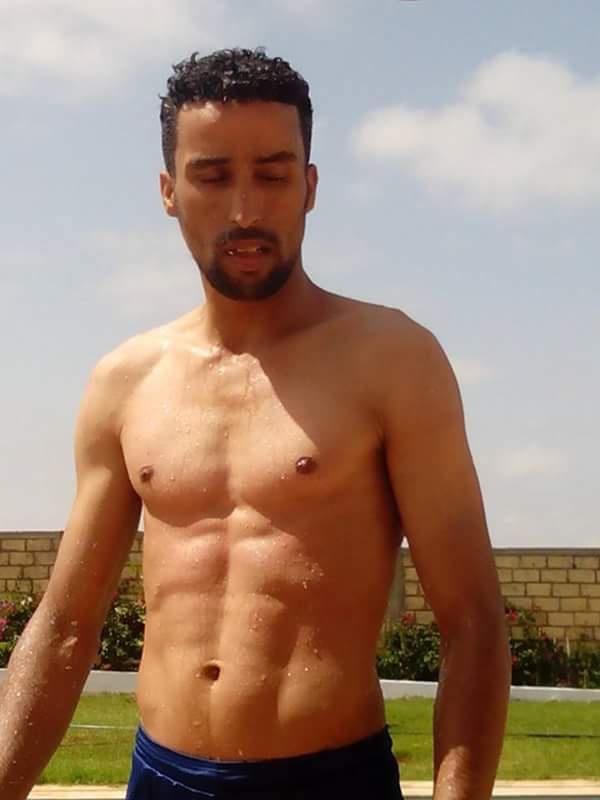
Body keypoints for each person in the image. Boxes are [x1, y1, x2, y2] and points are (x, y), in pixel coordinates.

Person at [0, 48, 511, 800]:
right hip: (163, 777)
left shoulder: (393, 361)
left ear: (310, 187)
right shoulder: (126, 381)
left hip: (330, 780)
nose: (244, 211)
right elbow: (66, 624)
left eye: (273, 175)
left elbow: (472, 621)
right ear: (169, 191)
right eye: (212, 177)